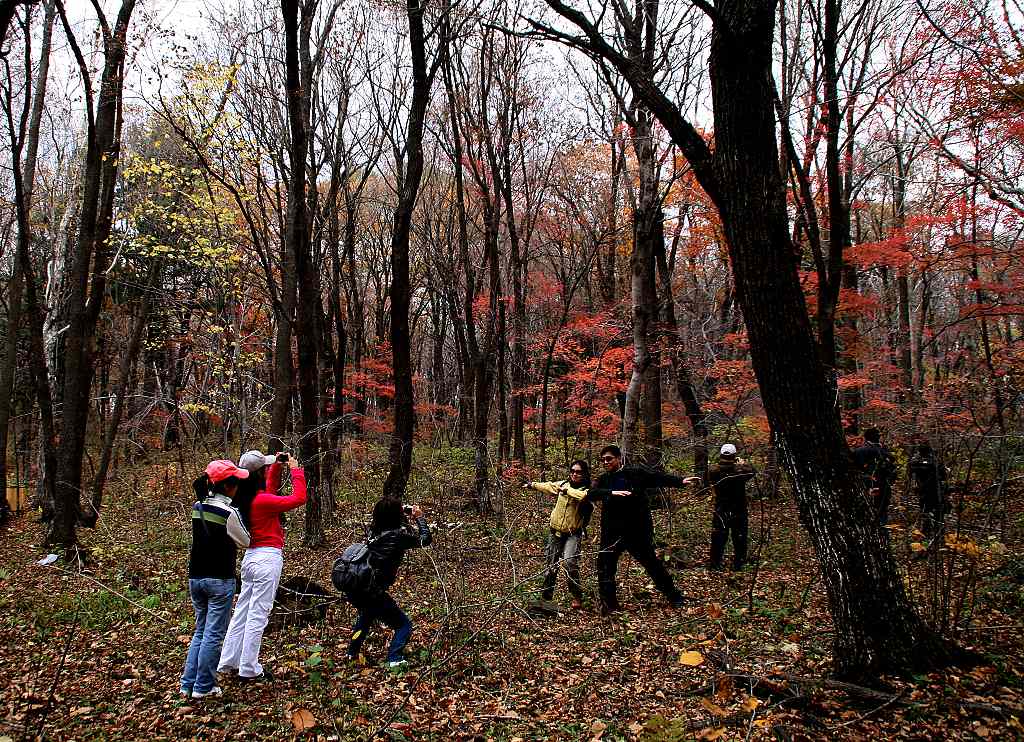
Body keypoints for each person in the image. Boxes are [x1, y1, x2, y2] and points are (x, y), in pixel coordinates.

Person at [217, 450, 306, 682]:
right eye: (264, 469)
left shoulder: (242, 499)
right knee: (259, 614)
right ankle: (249, 667)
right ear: (257, 476)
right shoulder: (262, 501)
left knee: (243, 611)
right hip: (267, 559)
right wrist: (296, 471)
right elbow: (299, 498)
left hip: (250, 559)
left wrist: (275, 466)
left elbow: (270, 491)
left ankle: (228, 660)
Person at [588, 445, 700, 614]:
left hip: (636, 531)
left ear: (618, 458)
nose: (605, 462)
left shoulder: (635, 474)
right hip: (611, 533)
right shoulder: (604, 479)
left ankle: (674, 597)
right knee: (605, 566)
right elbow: (591, 493)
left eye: (609, 459)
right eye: (603, 459)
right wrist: (612, 493)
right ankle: (609, 604)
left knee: (652, 564)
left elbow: (657, 478)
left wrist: (680, 481)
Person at [180, 460, 252, 699]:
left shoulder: (197, 506)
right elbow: (245, 541)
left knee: (200, 631)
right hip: (220, 578)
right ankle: (204, 686)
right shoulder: (228, 512)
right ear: (229, 486)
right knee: (213, 634)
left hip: (196, 577)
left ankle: (188, 683)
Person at [345, 499, 432, 668]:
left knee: (366, 617)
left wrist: (404, 518)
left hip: (358, 587)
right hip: (373, 591)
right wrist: (419, 518)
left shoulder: (374, 532)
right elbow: (425, 539)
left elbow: (400, 532)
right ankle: (395, 659)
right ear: (396, 516)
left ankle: (351, 653)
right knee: (403, 625)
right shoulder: (396, 536)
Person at [524, 459, 593, 609]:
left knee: (570, 563)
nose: (575, 474)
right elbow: (549, 486)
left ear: (584, 474)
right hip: (555, 532)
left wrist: (567, 491)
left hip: (572, 534)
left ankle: (576, 596)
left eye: (578, 472)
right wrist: (532, 485)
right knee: (551, 565)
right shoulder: (563, 485)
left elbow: (583, 497)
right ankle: (546, 598)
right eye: (572, 471)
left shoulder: (586, 490)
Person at [706, 444, 756, 571]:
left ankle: (715, 564)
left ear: (721, 455)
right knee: (739, 537)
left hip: (720, 509)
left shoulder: (713, 471)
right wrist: (743, 463)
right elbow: (752, 471)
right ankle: (738, 564)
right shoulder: (739, 472)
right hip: (738, 509)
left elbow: (709, 477)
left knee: (718, 537)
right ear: (734, 456)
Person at [851, 428, 897, 525]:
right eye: (878, 435)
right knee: (880, 512)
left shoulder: (860, 451)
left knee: (870, 512)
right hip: (877, 486)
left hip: (869, 486)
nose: (879, 437)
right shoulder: (884, 452)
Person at [908, 442, 949, 539]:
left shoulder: (915, 463)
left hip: (924, 492)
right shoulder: (936, 463)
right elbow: (943, 476)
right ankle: (938, 534)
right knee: (938, 514)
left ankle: (926, 533)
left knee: (925, 511)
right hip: (935, 491)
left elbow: (911, 473)